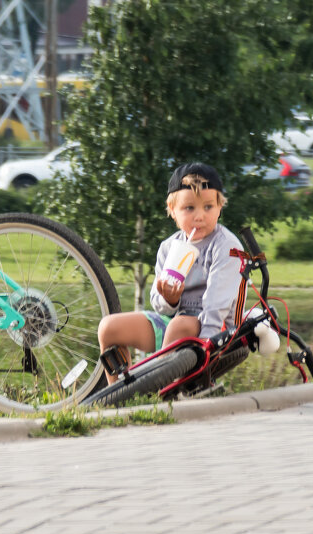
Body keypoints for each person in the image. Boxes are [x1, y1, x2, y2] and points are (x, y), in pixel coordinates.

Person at [97, 162, 243, 384]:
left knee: (180, 324)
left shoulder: (226, 246)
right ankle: (119, 393)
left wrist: (208, 345)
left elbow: (217, 303)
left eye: (208, 207)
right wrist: (170, 299)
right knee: (108, 328)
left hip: (210, 328)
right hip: (172, 321)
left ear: (220, 206)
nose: (200, 216)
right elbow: (159, 306)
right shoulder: (169, 247)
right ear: (172, 211)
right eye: (189, 208)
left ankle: (155, 388)